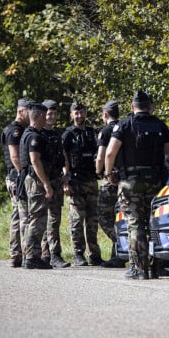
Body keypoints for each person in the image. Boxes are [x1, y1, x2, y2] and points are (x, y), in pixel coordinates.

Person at [104, 90, 169, 279]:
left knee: (135, 225)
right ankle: (156, 267)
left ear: (132, 106)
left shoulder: (124, 125)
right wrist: (166, 164)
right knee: (153, 222)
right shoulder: (160, 125)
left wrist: (109, 173)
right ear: (150, 106)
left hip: (130, 182)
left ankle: (139, 269)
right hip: (155, 182)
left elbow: (110, 153)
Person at [62, 101, 104, 267]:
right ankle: (78, 253)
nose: (79, 116)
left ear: (86, 113)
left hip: (91, 181)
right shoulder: (67, 135)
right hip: (76, 181)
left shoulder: (92, 133)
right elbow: (63, 158)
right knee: (77, 220)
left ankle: (94, 254)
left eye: (82, 112)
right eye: (76, 113)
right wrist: (65, 179)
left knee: (93, 219)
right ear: (71, 115)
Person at [19, 102, 53, 270]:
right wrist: (46, 183)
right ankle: (32, 256)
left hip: (31, 179)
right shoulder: (34, 137)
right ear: (40, 116)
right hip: (36, 181)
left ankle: (30, 255)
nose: (47, 119)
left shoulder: (26, 133)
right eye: (45, 116)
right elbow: (34, 160)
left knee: (34, 218)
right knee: (37, 219)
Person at [40, 99, 71, 268]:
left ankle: (50, 254)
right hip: (44, 183)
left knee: (54, 219)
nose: (51, 117)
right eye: (49, 114)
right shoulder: (38, 134)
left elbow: (63, 156)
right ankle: (49, 254)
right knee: (45, 220)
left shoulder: (56, 135)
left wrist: (66, 174)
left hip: (56, 180)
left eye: (54, 114)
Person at [95, 100, 126, 268]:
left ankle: (122, 244)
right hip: (125, 179)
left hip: (111, 179)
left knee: (104, 216)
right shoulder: (123, 128)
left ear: (105, 114)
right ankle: (118, 254)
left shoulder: (106, 131)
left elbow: (101, 156)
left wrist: (100, 172)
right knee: (121, 216)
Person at [0, 98, 30, 268]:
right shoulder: (14, 131)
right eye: (28, 111)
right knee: (21, 215)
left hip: (16, 176)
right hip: (16, 177)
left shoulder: (21, 129)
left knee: (18, 215)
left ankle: (16, 254)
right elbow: (14, 156)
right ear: (21, 111)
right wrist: (22, 174)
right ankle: (20, 254)